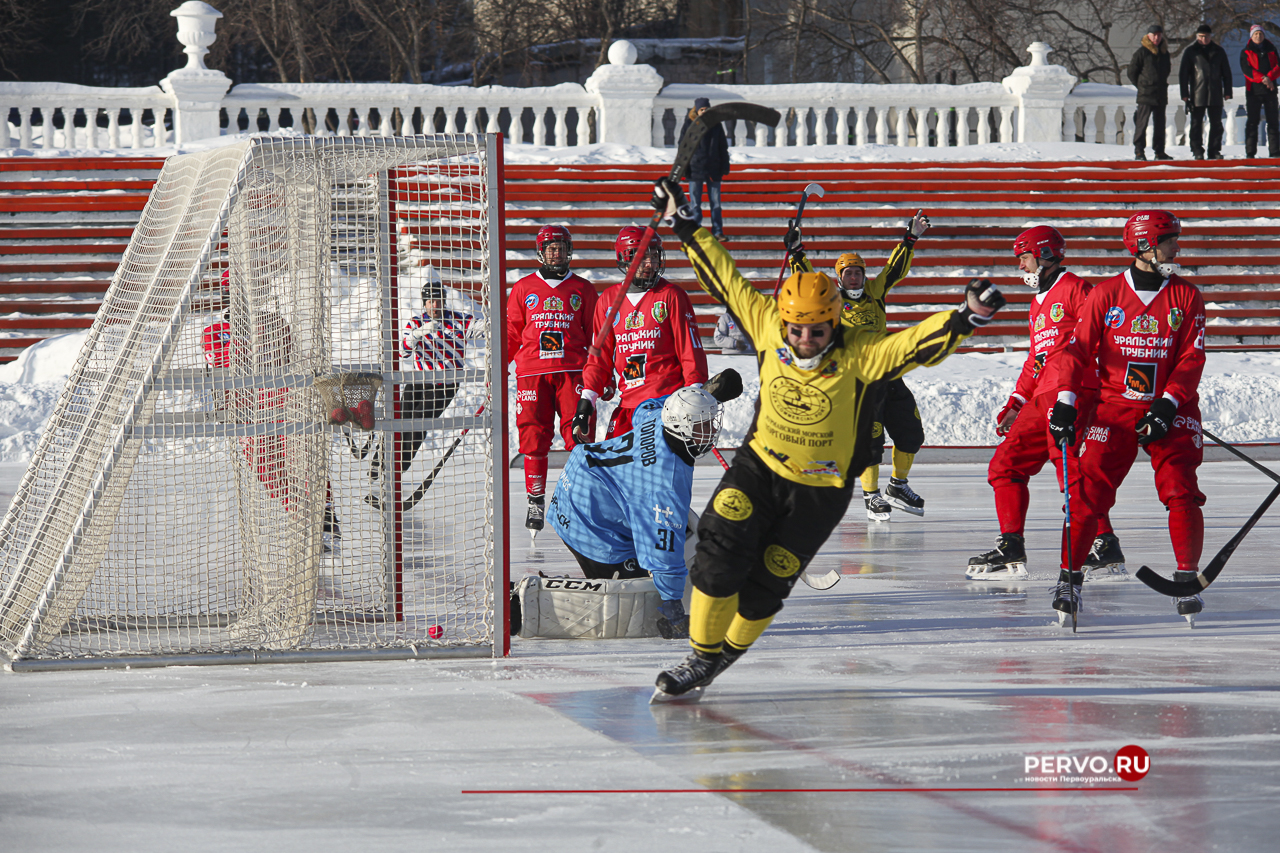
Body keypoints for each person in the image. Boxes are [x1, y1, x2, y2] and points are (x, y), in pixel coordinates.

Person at [646, 177, 1006, 700]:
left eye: (817, 330)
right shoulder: (770, 324)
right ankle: (700, 657)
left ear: (835, 322)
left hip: (819, 490)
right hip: (760, 467)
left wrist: (964, 319)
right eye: (796, 330)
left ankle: (726, 654)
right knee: (718, 557)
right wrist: (687, 227)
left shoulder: (860, 352)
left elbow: (913, 345)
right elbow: (726, 281)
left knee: (767, 584)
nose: (805, 340)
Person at [1049, 210, 1208, 624]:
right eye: (1170, 240)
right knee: (1087, 494)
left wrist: (1168, 404)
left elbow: (1192, 357)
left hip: (1171, 407)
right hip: (1116, 407)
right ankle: (1070, 579)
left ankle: (1186, 579)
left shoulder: (1187, 296)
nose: (1177, 247)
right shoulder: (1105, 294)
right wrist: (1066, 401)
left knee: (1181, 489)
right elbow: (1077, 350)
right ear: (1143, 245)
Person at [967, 226, 1126, 582]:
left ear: (1043, 254)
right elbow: (1036, 359)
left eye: (1023, 257)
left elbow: (1105, 337)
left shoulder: (1078, 289)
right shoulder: (1038, 301)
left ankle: (1102, 542)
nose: (1020, 266)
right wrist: (1016, 401)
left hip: (1073, 392)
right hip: (1041, 396)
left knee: (1068, 468)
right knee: (1004, 465)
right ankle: (1011, 544)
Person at [549, 372, 742, 639]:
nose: (710, 431)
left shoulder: (658, 418)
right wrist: (673, 610)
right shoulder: (664, 484)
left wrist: (707, 395)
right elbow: (663, 552)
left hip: (587, 480)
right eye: (702, 425)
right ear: (683, 427)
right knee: (633, 604)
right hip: (586, 516)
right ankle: (531, 608)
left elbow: (646, 406)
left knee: (683, 532)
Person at [786, 211, 930, 521]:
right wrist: (797, 252)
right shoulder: (831, 300)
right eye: (848, 273)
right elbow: (808, 279)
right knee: (871, 439)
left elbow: (895, 269)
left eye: (858, 273)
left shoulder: (875, 294)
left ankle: (898, 486)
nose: (854, 278)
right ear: (839, 277)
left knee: (911, 434)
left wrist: (910, 237)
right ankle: (871, 495)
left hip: (890, 374)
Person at [572, 226, 708, 443]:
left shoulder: (672, 296)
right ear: (624, 259)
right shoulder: (608, 301)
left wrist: (694, 391)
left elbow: (689, 351)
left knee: (659, 474)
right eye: (643, 257)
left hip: (666, 405)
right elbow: (599, 357)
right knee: (614, 472)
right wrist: (586, 401)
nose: (650, 264)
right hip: (627, 406)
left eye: (654, 256)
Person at [507, 225, 599, 531]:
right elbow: (511, 334)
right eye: (551, 248)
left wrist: (603, 371)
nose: (556, 252)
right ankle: (535, 499)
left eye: (560, 247)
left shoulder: (584, 290)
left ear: (569, 250)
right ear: (540, 252)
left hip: (572, 371)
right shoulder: (522, 288)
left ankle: (578, 497)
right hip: (533, 373)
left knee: (580, 435)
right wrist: (494, 369)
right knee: (533, 437)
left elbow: (596, 337)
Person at [367, 279, 473, 506]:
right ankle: (378, 466)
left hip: (445, 384)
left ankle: (396, 471)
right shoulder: (416, 321)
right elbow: (403, 352)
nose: (434, 305)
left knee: (417, 425)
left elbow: (482, 329)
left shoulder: (459, 319)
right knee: (399, 420)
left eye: (438, 300)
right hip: (418, 381)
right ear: (424, 303)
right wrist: (417, 334)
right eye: (430, 301)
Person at [678, 97, 731, 240]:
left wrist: (725, 166)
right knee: (695, 204)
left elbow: (722, 147)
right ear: (696, 110)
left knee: (716, 204)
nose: (705, 111)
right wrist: (684, 167)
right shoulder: (689, 124)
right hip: (695, 169)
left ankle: (718, 232)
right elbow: (683, 146)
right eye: (702, 109)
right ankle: (696, 232)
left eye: (707, 109)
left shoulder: (716, 125)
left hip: (714, 168)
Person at [1180, 23, 1234, 160]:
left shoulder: (1218, 51)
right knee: (1196, 123)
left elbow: (1226, 72)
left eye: (1207, 36)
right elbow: (1183, 74)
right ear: (1197, 36)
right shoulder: (1191, 51)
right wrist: (1185, 94)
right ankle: (1197, 150)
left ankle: (1214, 150)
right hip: (1197, 92)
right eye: (1202, 36)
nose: (1204, 39)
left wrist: (1228, 91)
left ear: (1211, 36)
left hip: (1215, 92)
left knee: (1216, 123)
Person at [1128, 24, 1174, 161]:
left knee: (1160, 125)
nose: (1156, 37)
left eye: (1159, 35)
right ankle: (1139, 151)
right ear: (1148, 36)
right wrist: (1142, 85)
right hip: (1146, 94)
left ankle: (1160, 152)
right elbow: (1131, 72)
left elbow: (1167, 70)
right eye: (1154, 35)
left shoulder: (1164, 53)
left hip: (1160, 94)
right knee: (1142, 124)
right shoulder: (1142, 52)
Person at [1240, 24, 1280, 159]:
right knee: (1252, 122)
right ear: (1252, 36)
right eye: (1256, 34)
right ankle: (1250, 152)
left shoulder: (1272, 49)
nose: (1258, 36)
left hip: (1271, 90)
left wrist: (1270, 77)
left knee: (1273, 122)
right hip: (1254, 92)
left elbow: (1278, 66)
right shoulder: (1246, 51)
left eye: (1260, 34)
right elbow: (1247, 70)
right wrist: (1263, 78)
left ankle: (1275, 152)